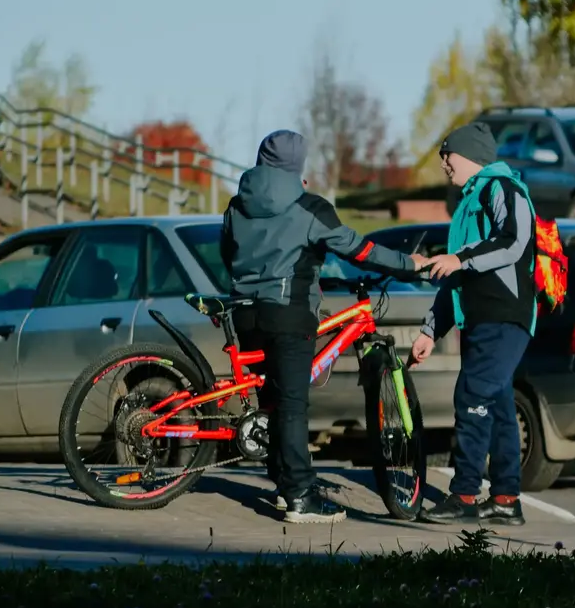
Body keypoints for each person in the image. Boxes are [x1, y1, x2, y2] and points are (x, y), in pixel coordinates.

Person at [220, 129, 427, 524]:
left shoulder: (237, 203)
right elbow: (359, 249)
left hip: (246, 313)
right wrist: (408, 264)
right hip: (289, 311)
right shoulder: (310, 207)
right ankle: (300, 496)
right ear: (299, 164)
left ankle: (283, 482)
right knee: (294, 404)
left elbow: (227, 252)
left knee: (274, 398)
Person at [410, 121, 537, 526]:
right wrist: (432, 329)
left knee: (471, 395)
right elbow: (457, 275)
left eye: (448, 155)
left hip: (505, 315)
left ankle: (464, 493)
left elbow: (514, 241)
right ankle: (504, 500)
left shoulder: (503, 188)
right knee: (496, 406)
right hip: (479, 319)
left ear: (469, 155)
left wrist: (459, 259)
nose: (444, 163)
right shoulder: (467, 203)